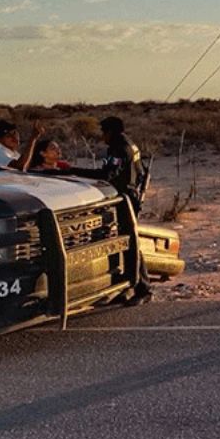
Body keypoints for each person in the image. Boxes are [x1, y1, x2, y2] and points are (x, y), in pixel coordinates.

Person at [67, 116, 152, 303]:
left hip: (125, 198)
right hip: (127, 195)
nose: (101, 136)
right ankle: (128, 284)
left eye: (103, 132)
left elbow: (106, 174)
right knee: (123, 242)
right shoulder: (129, 144)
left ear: (110, 132)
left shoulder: (120, 148)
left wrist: (72, 171)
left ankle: (143, 289)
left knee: (130, 243)